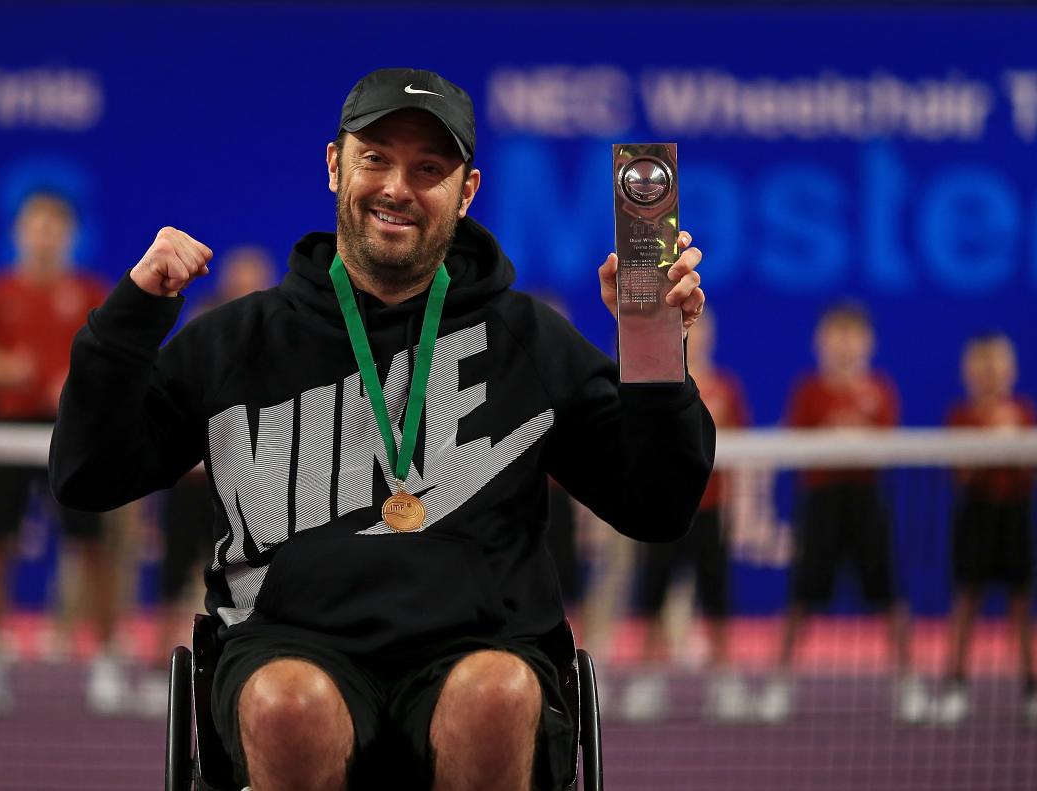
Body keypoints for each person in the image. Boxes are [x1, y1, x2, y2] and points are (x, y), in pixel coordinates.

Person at [50, 68, 714, 790]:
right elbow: (89, 476)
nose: (398, 186)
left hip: (486, 643)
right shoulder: (235, 342)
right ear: (335, 165)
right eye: (376, 159)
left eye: (429, 169)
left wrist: (653, 351)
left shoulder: (529, 340)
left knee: (495, 694)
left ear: (466, 194)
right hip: (285, 643)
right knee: (287, 704)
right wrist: (127, 322)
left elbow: (657, 504)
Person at [0, 192, 119, 715]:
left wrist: (78, 382)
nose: (44, 235)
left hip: (69, 433)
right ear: (21, 233)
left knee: (92, 550)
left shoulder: (90, 291)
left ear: (68, 234)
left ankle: (107, 666)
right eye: (35, 225)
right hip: (7, 434)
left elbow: (113, 358)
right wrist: (3, 368)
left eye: (54, 226)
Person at [760, 302, 924, 723]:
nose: (845, 344)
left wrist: (852, 437)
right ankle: (779, 684)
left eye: (853, 336)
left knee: (889, 594)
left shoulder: (881, 390)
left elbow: (885, 443)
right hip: (821, 504)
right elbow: (799, 446)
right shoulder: (807, 392)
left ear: (868, 343)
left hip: (867, 502)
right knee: (801, 595)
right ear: (821, 342)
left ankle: (908, 683)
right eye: (836, 335)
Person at [134, 244, 277, 719]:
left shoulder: (283, 339)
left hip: (253, 486)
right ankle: (160, 668)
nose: (247, 287)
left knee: (247, 579)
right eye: (241, 277)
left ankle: (248, 666)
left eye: (257, 277)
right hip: (194, 483)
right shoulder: (206, 326)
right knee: (173, 573)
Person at [620, 311, 751, 722]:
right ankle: (647, 679)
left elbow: (745, 456)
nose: (693, 335)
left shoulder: (727, 388)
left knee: (717, 599)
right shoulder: (655, 384)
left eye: (699, 329)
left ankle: (724, 679)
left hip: (710, 513)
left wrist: (742, 510)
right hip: (662, 510)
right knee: (654, 596)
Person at [934, 333, 1035, 725]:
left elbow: (1028, 470)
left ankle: (1031, 689)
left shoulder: (1025, 412)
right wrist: (988, 442)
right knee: (966, 602)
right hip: (974, 517)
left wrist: (1013, 442)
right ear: (968, 372)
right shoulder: (960, 416)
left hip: (1014, 516)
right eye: (981, 365)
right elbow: (961, 471)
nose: (990, 373)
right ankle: (956, 687)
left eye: (997, 364)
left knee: (1021, 606)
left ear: (1011, 370)